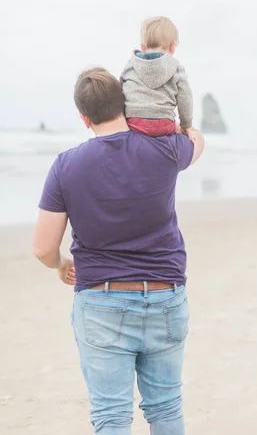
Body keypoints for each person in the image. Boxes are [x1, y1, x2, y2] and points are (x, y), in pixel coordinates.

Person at [33, 67, 205, 435]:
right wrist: (177, 127)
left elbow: (42, 247)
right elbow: (196, 140)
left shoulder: (66, 165)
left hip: (101, 303)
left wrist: (61, 264)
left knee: (111, 418)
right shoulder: (164, 150)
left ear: (84, 117)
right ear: (124, 104)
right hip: (165, 297)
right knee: (166, 411)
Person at [120, 16, 194, 139]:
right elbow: (185, 98)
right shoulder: (176, 68)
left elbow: (119, 90)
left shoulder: (130, 65)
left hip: (133, 123)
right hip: (163, 125)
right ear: (172, 47)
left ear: (143, 47)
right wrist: (186, 125)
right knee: (188, 135)